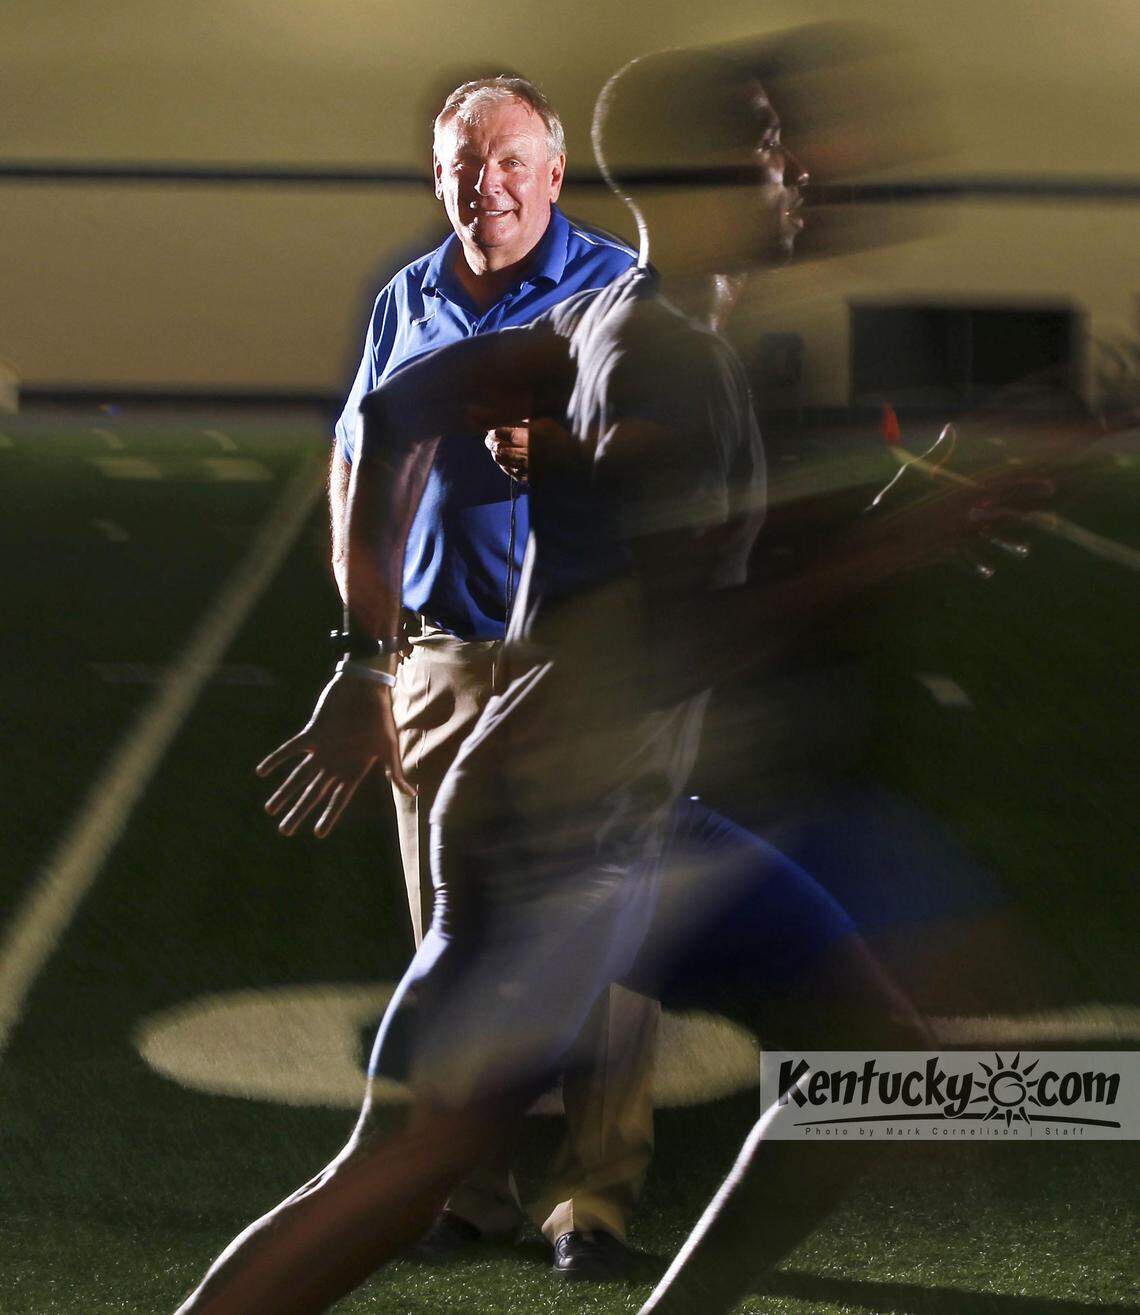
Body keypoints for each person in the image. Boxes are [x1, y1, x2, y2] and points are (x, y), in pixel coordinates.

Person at [178, 29, 937, 1315]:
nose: (809, 164)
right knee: (398, 1166)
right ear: (701, 179)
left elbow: (424, 417)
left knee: (885, 1062)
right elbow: (399, 422)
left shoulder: (659, 324)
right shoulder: (649, 338)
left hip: (618, 793)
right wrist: (372, 655)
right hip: (559, 806)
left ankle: (597, 1220)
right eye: (774, 147)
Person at [314, 74, 656, 1277]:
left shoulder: (618, 288)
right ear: (439, 174)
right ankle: (471, 1190)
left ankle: (591, 1200)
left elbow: (677, 459)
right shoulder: (405, 300)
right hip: (443, 653)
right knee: (446, 939)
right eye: (465, 161)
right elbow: (357, 467)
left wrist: (561, 450)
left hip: (584, 657)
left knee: (600, 934)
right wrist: (366, 651)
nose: (487, 183)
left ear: (555, 174)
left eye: (511, 159)